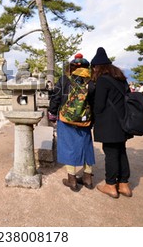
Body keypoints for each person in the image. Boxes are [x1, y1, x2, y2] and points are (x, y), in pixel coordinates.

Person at [90, 47, 132, 199]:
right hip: (123, 121)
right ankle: (124, 184)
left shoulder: (102, 80)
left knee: (111, 154)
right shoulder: (120, 78)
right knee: (121, 151)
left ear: (98, 67)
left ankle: (110, 185)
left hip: (109, 123)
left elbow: (99, 105)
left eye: (94, 67)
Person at [49, 53, 95, 192]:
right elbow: (94, 103)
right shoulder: (91, 82)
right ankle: (87, 178)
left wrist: (52, 112)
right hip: (85, 120)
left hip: (66, 119)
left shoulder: (65, 79)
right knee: (86, 146)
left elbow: (56, 98)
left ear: (71, 67)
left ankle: (72, 180)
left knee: (69, 146)